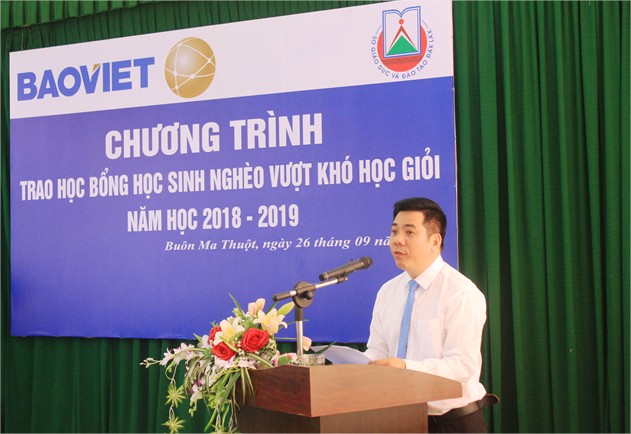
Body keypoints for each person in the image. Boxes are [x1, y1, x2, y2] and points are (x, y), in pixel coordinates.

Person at [365, 197, 496, 433]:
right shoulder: (387, 291)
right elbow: (378, 351)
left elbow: (462, 365)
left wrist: (405, 367)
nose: (397, 240)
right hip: (399, 420)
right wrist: (354, 366)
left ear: (435, 241)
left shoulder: (460, 292)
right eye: (394, 231)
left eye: (409, 232)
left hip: (451, 423)